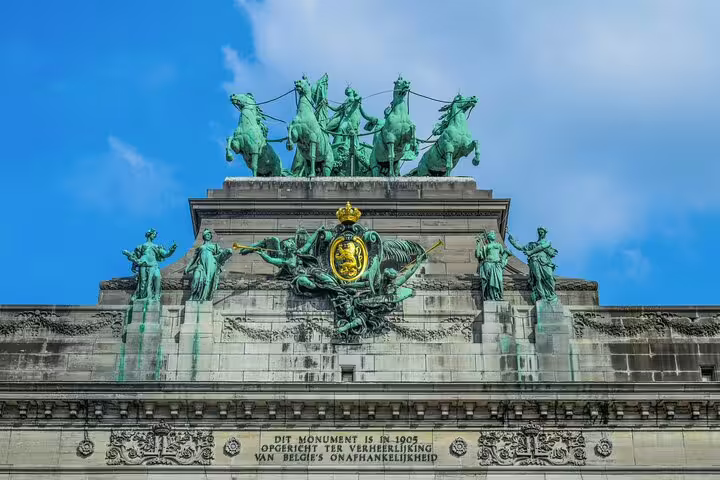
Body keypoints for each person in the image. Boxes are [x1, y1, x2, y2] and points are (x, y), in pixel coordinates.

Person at [122, 229, 176, 302]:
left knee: (157, 276)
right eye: (153, 234)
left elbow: (166, 254)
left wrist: (172, 250)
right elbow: (135, 257)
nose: (154, 236)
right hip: (143, 263)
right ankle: (142, 297)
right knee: (143, 282)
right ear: (149, 234)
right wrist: (134, 265)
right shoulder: (141, 246)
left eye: (155, 235)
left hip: (154, 264)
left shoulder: (156, 246)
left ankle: (156, 295)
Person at [509, 227, 558, 303]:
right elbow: (521, 247)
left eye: (542, 232)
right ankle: (542, 296)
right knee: (538, 278)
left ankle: (551, 293)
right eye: (539, 232)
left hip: (545, 262)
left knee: (549, 277)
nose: (540, 233)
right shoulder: (532, 244)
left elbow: (542, 247)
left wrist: (531, 252)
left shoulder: (548, 242)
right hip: (535, 261)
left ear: (545, 233)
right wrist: (512, 240)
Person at [184, 229, 233, 302]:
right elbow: (194, 258)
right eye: (207, 234)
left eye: (209, 235)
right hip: (200, 265)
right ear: (204, 236)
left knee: (208, 281)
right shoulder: (200, 247)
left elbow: (221, 255)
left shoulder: (215, 246)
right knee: (196, 278)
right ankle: (193, 296)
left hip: (211, 265)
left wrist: (227, 251)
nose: (208, 236)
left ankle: (205, 297)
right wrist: (187, 267)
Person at [475, 230, 511, 301]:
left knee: (499, 280)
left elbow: (504, 253)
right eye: (492, 234)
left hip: (497, 264)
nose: (494, 235)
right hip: (488, 263)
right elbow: (478, 255)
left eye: (494, 234)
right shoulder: (485, 247)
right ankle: (491, 297)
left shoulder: (498, 245)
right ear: (488, 237)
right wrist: (478, 244)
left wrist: (504, 259)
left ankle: (498, 295)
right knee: (489, 282)